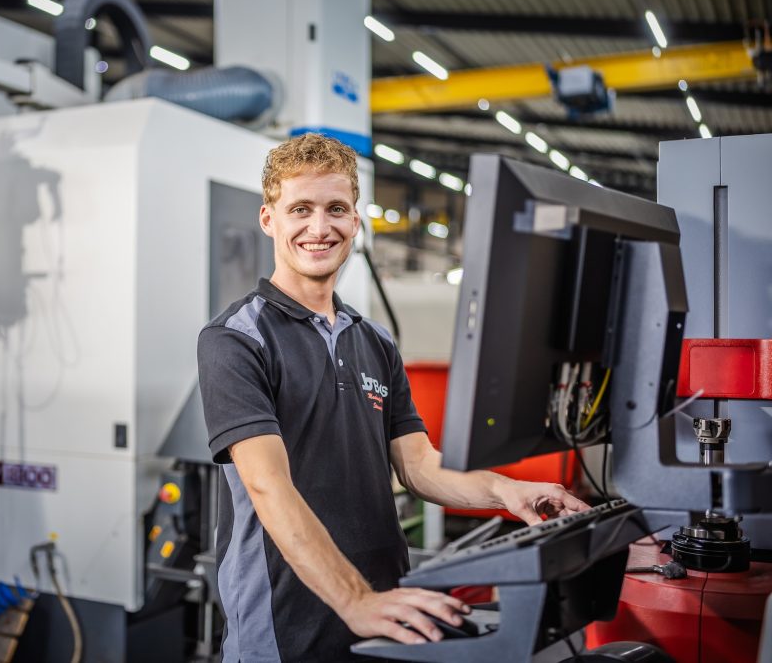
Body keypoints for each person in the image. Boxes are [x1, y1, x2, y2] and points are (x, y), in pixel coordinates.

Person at [197, 133, 589, 662]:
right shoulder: (237, 339)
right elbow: (269, 487)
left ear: (356, 222)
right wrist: (353, 600)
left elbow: (419, 465)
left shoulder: (375, 340)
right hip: (284, 624)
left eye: (336, 209)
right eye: (301, 209)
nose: (320, 227)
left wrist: (508, 493)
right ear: (269, 219)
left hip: (385, 612)